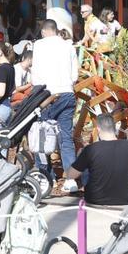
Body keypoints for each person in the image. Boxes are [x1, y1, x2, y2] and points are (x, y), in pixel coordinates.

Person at [30, 16, 79, 183]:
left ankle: (45, 175)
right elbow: (74, 76)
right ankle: (71, 179)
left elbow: (35, 77)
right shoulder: (69, 46)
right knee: (66, 137)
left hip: (46, 95)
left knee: (42, 134)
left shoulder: (39, 45)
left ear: (44, 31)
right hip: (66, 93)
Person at [64, 113, 128, 203]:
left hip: (95, 198)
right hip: (126, 198)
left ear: (98, 129)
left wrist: (80, 156)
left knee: (86, 163)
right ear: (114, 128)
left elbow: (71, 175)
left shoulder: (90, 149)